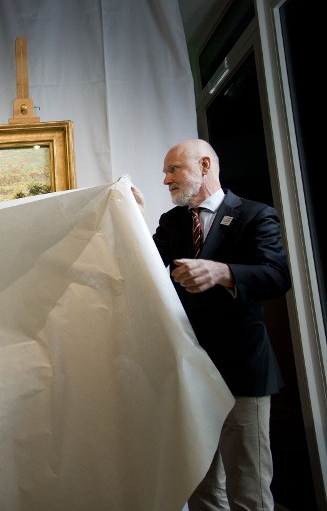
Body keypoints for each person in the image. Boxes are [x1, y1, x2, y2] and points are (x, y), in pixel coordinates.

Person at [134, 139, 291, 510]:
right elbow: (148, 269)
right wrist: (133, 217)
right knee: (201, 487)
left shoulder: (255, 215)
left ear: (204, 165)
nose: (165, 179)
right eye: (165, 171)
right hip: (191, 374)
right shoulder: (171, 222)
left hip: (243, 372)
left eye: (173, 169)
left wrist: (223, 272)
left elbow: (276, 275)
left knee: (248, 487)